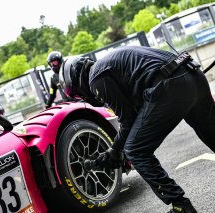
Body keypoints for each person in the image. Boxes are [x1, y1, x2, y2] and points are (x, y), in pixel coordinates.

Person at [59, 46, 215, 213]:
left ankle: (181, 206)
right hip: (193, 74)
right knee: (211, 133)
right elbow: (138, 113)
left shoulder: (95, 78)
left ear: (77, 83)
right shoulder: (110, 64)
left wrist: (115, 150)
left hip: (169, 85)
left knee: (135, 151)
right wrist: (116, 150)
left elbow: (128, 119)